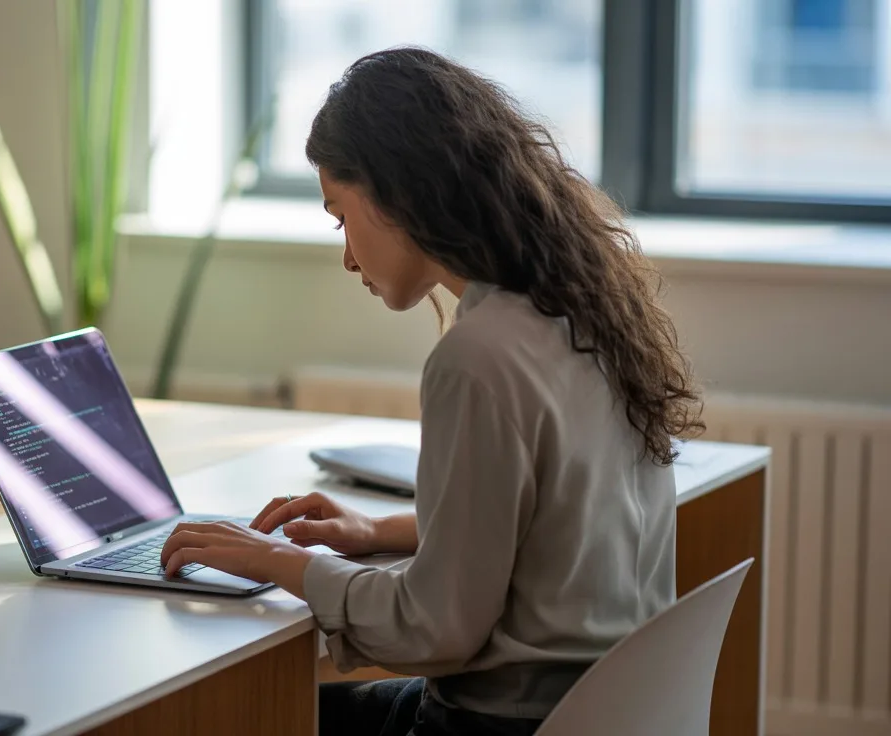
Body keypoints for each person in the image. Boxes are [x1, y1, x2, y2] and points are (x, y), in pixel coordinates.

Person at [159, 46, 703, 736]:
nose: (348, 255)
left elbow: (435, 629)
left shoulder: (475, 358)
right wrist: (376, 531)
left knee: (227, 717)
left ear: (399, 193)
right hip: (600, 712)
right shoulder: (587, 316)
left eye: (340, 216)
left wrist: (278, 562)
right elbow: (556, 522)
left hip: (499, 725)